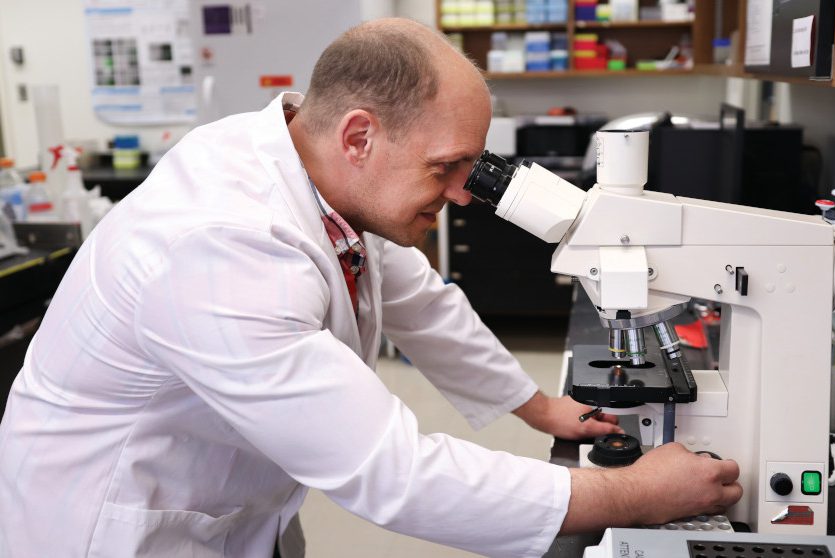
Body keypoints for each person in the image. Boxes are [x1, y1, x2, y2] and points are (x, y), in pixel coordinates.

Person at [0, 17, 741, 558]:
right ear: (359, 136)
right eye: (445, 168)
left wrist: (542, 408)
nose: (460, 195)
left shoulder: (311, 166)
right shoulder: (219, 244)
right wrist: (633, 496)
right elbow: (391, 474)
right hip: (112, 529)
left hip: (230, 506)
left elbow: (423, 302)